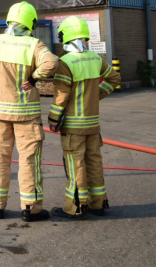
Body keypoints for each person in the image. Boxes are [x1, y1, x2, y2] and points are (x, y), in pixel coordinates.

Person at [0, 1, 59, 222]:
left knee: (0, 157)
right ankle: (30, 208)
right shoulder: (34, 44)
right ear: (31, 22)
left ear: (9, 20)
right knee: (28, 160)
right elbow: (52, 63)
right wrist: (34, 78)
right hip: (26, 115)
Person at [49, 16, 121, 220]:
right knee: (94, 162)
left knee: (76, 165)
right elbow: (114, 78)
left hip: (73, 127)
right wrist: (97, 95)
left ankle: (76, 207)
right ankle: (98, 204)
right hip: (93, 125)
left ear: (66, 36)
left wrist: (54, 120)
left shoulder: (65, 62)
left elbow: (61, 96)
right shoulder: (96, 58)